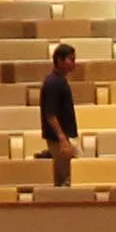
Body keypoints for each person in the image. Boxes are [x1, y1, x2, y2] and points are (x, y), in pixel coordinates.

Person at [38, 42, 81, 188]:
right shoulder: (53, 83)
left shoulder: (59, 80)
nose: (74, 63)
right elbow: (50, 114)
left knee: (69, 174)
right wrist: (62, 138)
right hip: (59, 140)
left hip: (64, 137)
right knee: (71, 176)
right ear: (60, 60)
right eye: (71, 60)